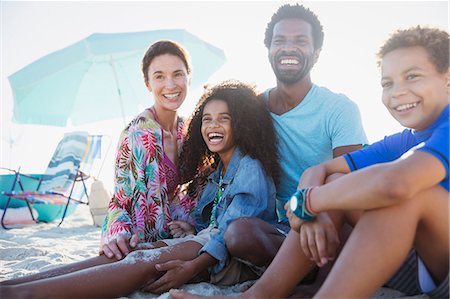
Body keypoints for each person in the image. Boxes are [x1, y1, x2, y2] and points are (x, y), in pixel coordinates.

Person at [170, 26, 449, 299]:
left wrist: (308, 203)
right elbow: (321, 170)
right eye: (388, 83)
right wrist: (311, 209)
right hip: (414, 263)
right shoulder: (405, 139)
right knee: (339, 181)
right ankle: (258, 295)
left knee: (410, 195)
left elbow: (396, 184)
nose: (398, 91)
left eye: (412, 76)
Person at [0, 80, 281, 298]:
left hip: (231, 260)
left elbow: (233, 230)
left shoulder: (250, 167)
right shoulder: (218, 171)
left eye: (224, 118)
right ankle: (13, 285)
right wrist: (190, 228)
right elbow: (215, 221)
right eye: (207, 118)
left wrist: (192, 267)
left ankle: (23, 294)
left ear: (242, 123)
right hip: (208, 242)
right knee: (133, 253)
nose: (212, 126)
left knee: (146, 262)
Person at [221, 2, 367, 283]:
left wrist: (315, 211)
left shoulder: (338, 108)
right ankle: (307, 266)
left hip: (337, 218)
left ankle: (323, 279)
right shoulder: (254, 110)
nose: (288, 48)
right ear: (269, 50)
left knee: (337, 179)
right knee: (238, 235)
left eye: (300, 40)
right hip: (289, 226)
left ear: (317, 52)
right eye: (280, 41)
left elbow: (350, 185)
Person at [100, 40, 196, 261]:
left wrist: (188, 225)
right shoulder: (138, 134)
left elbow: (191, 193)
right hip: (133, 237)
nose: (170, 85)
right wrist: (118, 233)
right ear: (147, 83)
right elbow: (121, 199)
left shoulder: (187, 130)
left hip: (172, 234)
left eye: (178, 74)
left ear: (189, 77)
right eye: (159, 76)